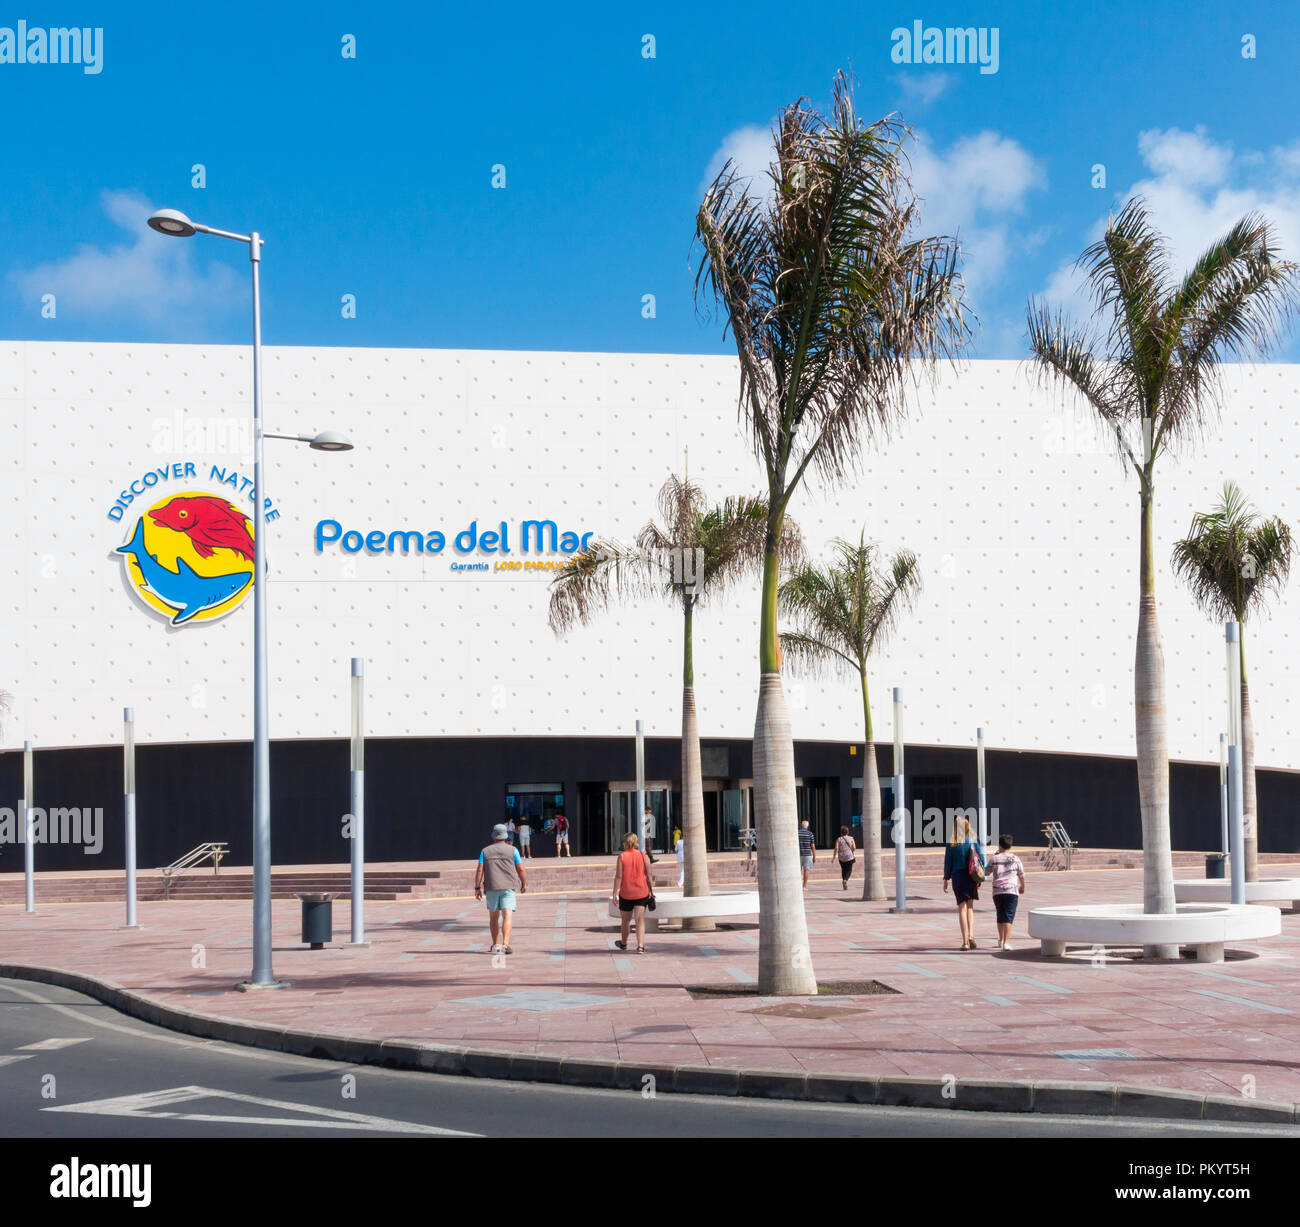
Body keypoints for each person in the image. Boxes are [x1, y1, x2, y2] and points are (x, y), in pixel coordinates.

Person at [474, 823, 527, 954]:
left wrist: (477, 887)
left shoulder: (485, 851)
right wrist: (524, 883)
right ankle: (505, 945)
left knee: (493, 917)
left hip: (492, 887)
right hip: (508, 886)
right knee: (507, 915)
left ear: (494, 836)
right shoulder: (513, 850)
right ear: (505, 836)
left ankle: (495, 945)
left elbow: (480, 869)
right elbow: (520, 868)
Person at [943, 815, 986, 950]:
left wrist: (946, 878)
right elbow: (981, 859)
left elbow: (948, 862)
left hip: (958, 877)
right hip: (970, 876)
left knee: (962, 908)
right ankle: (971, 935)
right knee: (970, 907)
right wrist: (980, 877)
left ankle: (965, 942)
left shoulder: (952, 842)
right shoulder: (973, 841)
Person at [612, 832, 655, 954]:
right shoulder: (643, 855)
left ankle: (624, 943)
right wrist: (651, 890)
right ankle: (640, 946)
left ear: (626, 843)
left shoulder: (622, 857)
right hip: (642, 892)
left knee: (625, 920)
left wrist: (615, 893)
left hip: (626, 893)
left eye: (623, 843)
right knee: (640, 920)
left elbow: (619, 876)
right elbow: (649, 875)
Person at [987, 833, 1026, 950]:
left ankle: (1000, 939)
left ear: (1000, 845)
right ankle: (1006, 942)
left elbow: (986, 872)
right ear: (1011, 846)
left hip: (997, 892)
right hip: (1011, 891)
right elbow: (1021, 875)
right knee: (1009, 916)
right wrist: (1023, 886)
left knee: (1000, 915)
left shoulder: (994, 858)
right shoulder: (1016, 859)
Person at [834, 825, 857, 890]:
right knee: (849, 870)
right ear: (848, 832)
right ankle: (845, 880)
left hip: (841, 857)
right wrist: (851, 850)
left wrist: (834, 857)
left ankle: (844, 879)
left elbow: (836, 848)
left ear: (841, 832)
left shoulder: (839, 839)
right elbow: (854, 848)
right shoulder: (851, 838)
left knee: (843, 869)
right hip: (849, 856)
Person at [798, 818, 816, 888]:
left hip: (798, 855)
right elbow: (813, 846)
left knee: (798, 871)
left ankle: (798, 886)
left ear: (802, 826)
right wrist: (814, 856)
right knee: (806, 870)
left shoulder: (797, 833)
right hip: (807, 855)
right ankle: (804, 886)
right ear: (807, 826)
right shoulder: (810, 834)